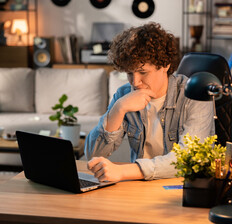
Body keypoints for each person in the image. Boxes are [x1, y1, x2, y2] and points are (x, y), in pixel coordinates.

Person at [84, 22, 214, 182]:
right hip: (140, 187)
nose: (135, 82)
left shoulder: (194, 95)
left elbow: (187, 159)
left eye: (142, 72)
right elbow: (93, 155)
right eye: (129, 73)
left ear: (165, 65)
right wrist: (118, 109)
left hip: (183, 188)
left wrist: (124, 171)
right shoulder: (124, 94)